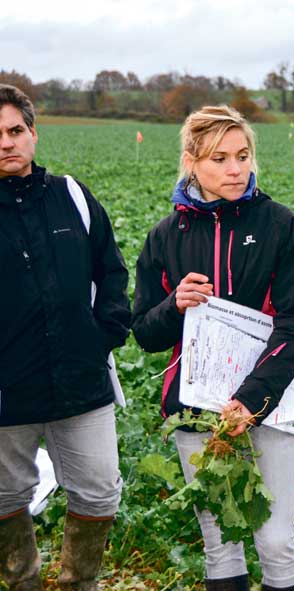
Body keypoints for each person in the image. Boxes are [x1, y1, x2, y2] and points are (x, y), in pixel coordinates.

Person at [132, 105, 294, 591]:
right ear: (192, 162)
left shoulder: (279, 225)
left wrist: (251, 400)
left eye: (242, 155)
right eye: (220, 159)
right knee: (219, 542)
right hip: (197, 410)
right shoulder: (165, 237)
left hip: (267, 404)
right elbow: (146, 334)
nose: (236, 169)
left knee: (276, 541)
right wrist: (174, 306)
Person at [0, 84, 130, 591]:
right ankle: (23, 581)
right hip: (8, 392)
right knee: (6, 496)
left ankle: (81, 583)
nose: (6, 143)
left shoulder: (71, 197)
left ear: (33, 133)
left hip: (81, 382)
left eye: (15, 131)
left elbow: (111, 272)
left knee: (99, 491)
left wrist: (102, 338)